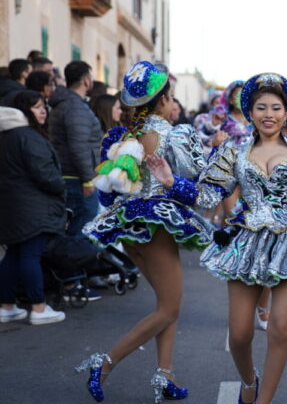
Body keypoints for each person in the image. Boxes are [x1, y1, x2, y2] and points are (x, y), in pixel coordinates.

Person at [146, 72, 287, 404]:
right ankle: (249, 380)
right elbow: (207, 197)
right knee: (239, 335)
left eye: (276, 107)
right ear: (249, 112)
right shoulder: (233, 150)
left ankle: (263, 399)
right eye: (261, 107)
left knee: (279, 327)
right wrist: (170, 181)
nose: (268, 114)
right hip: (247, 243)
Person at [76, 61, 212, 403]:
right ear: (163, 99)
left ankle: (165, 375)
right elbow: (196, 176)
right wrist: (220, 146)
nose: (173, 104)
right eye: (171, 97)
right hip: (156, 224)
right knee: (169, 309)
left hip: (127, 224)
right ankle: (104, 363)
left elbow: (110, 189)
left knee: (168, 304)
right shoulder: (170, 133)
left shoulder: (125, 136)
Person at [0, 97, 66, 325]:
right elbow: (46, 175)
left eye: (43, 106)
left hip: (12, 206)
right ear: (24, 111)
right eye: (37, 107)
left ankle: (7, 306)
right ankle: (38, 308)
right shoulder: (28, 137)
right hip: (34, 206)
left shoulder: (6, 136)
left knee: (14, 254)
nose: (43, 111)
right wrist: (61, 186)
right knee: (30, 254)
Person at [48, 61, 103, 237]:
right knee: (81, 229)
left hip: (70, 175)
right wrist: (87, 180)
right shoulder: (75, 107)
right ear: (86, 80)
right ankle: (74, 263)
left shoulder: (69, 104)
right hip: (77, 179)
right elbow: (78, 145)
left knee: (76, 226)